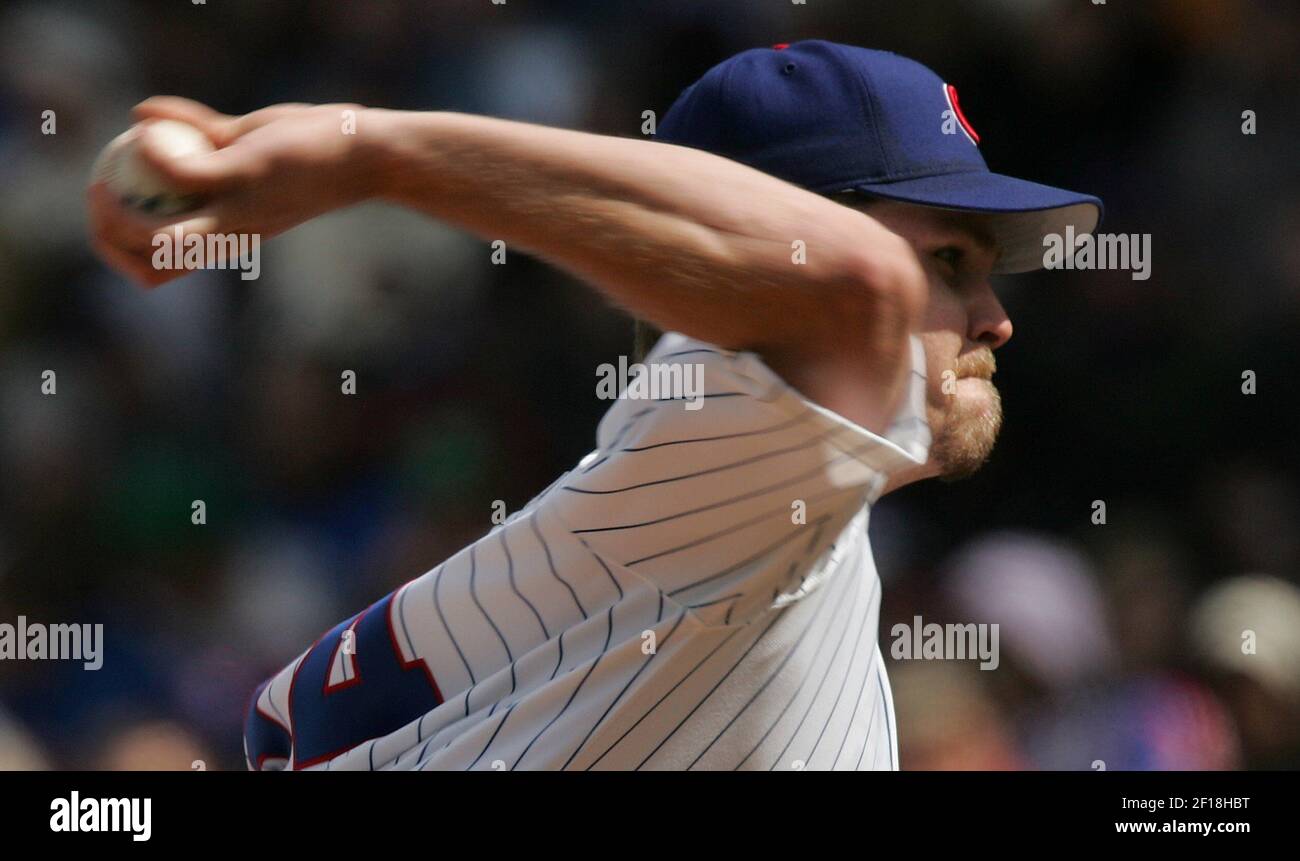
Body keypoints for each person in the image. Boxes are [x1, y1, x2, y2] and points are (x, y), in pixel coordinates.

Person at [87, 41, 1101, 770]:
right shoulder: (742, 483)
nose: (995, 317)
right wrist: (370, 156)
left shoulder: (586, 556)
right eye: (953, 262)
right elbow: (848, 287)